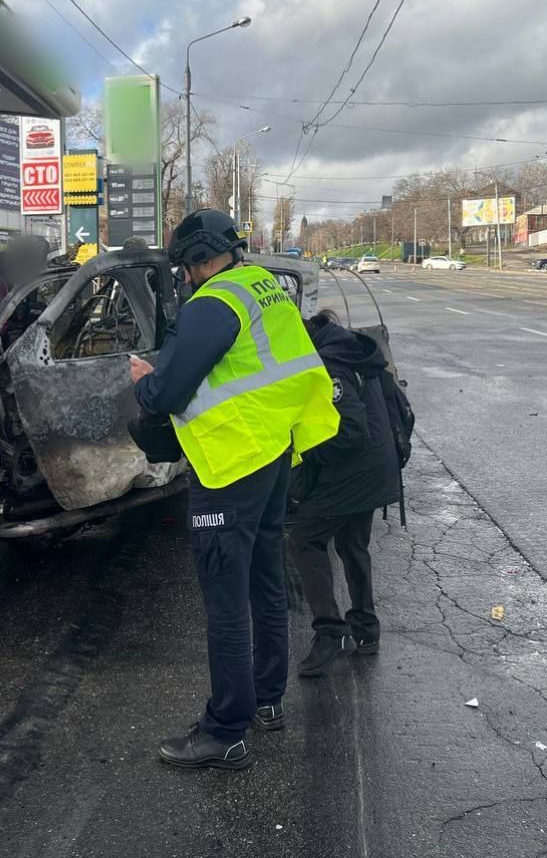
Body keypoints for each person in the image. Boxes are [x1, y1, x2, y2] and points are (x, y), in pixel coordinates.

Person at [129, 208, 339, 771]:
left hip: (229, 465)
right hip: (271, 452)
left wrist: (144, 383)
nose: (185, 278)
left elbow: (167, 392)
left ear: (198, 262)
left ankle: (225, 731)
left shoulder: (212, 304)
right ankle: (267, 700)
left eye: (186, 267)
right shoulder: (264, 287)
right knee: (266, 579)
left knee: (225, 599)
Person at [288, 310, 401, 676]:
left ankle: (330, 631)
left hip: (354, 473)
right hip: (377, 468)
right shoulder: (349, 348)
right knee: (353, 545)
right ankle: (366, 630)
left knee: (304, 539)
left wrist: (305, 449)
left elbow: (350, 432)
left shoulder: (330, 365)